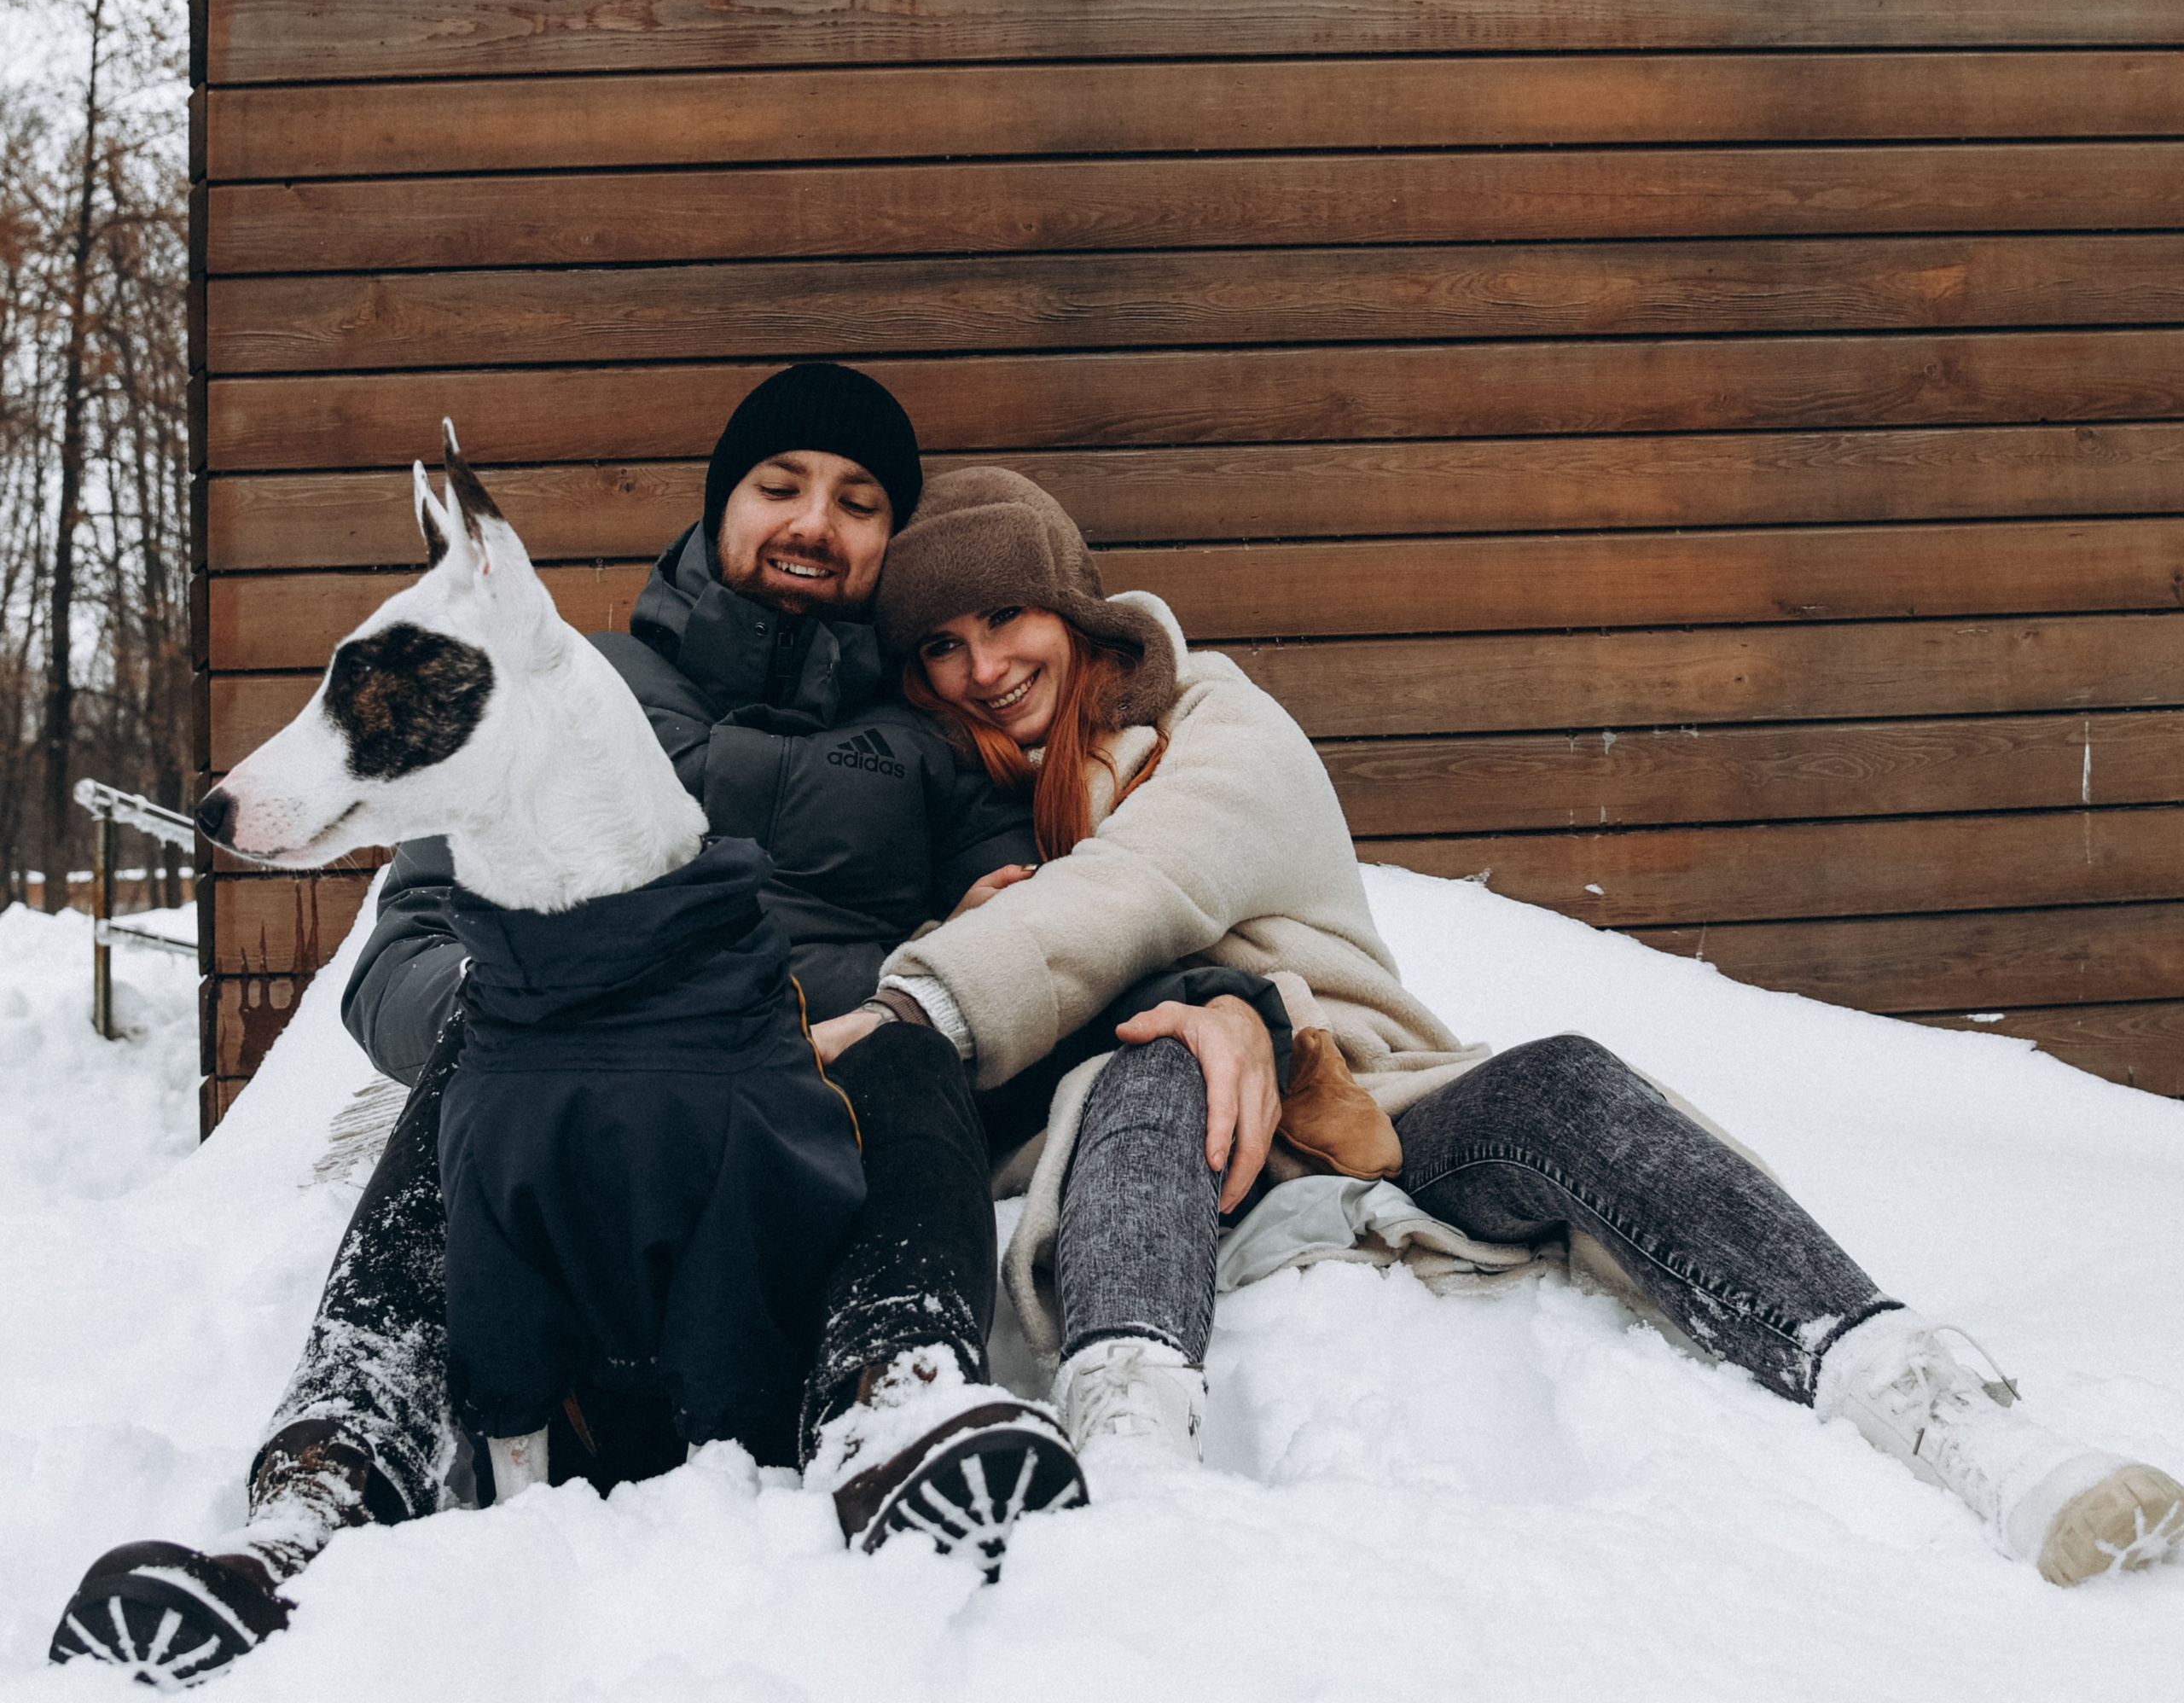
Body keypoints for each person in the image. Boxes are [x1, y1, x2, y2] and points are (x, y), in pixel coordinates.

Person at [863, 467, 2184, 1583]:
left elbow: (1142, 886)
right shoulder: (951, 802)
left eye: (1004, 617)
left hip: (1364, 1104)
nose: (982, 669)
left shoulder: (1217, 723)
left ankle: (1926, 1403)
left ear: (1072, 606)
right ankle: (1134, 1465)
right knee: (1162, 1064)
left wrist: (918, 997)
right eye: (940, 647)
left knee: (1560, 1080)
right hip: (1131, 1153)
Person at [49, 367, 1078, 1683]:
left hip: (810, 1117)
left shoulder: (930, 734)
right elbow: (404, 948)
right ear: (721, 508)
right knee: (475, 1069)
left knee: (917, 1038)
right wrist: (556, 1042)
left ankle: (896, 1399)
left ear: (893, 543)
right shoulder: (554, 677)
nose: (816, 520)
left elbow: (1038, 926)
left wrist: (983, 953)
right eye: (780, 486)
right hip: (550, 1086)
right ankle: (337, 1471)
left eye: (860, 500)